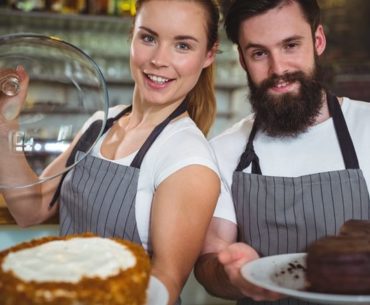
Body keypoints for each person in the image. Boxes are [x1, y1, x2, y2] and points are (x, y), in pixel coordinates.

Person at [0, 1, 221, 304]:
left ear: (208, 54)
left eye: (182, 45)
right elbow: (31, 209)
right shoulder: (102, 122)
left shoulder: (188, 160)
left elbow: (165, 285)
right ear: (131, 36)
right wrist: (4, 123)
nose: (158, 59)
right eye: (148, 38)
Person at [194, 0, 370, 304]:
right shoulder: (222, 150)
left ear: (318, 41)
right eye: (260, 53)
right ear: (242, 59)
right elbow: (209, 264)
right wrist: (231, 272)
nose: (278, 69)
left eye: (290, 45)